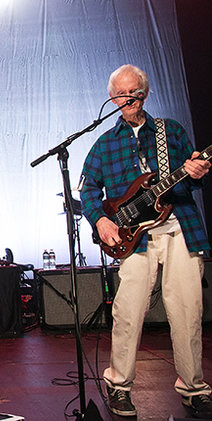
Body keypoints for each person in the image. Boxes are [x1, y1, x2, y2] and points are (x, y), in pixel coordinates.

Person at [80, 64, 212, 418]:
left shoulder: (170, 131)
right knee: (127, 312)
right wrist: (101, 219)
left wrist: (197, 170)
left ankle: (193, 387)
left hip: (179, 227)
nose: (128, 99)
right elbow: (88, 189)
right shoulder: (104, 144)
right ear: (112, 98)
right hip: (133, 237)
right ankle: (119, 386)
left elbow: (193, 176)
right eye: (121, 94)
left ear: (145, 93)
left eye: (134, 92)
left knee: (187, 311)